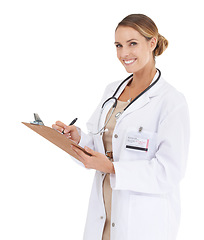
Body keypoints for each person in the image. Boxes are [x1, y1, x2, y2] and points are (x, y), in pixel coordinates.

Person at [52, 14, 190, 240]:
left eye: (132, 43)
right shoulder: (112, 91)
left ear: (152, 42)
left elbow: (170, 172)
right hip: (104, 214)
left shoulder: (171, 101)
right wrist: (78, 139)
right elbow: (101, 144)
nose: (124, 53)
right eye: (118, 45)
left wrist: (113, 168)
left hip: (143, 223)